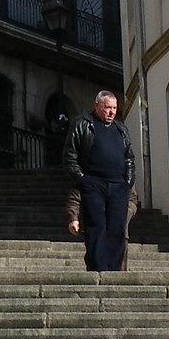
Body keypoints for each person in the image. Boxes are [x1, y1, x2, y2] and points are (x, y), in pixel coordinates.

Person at [67, 90, 133, 272]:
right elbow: (70, 155)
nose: (111, 112)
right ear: (96, 106)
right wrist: (83, 179)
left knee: (117, 228)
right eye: (107, 108)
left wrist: (128, 181)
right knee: (96, 226)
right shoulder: (82, 124)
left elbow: (129, 157)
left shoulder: (121, 129)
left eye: (114, 108)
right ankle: (98, 268)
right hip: (93, 183)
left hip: (118, 185)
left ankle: (114, 270)